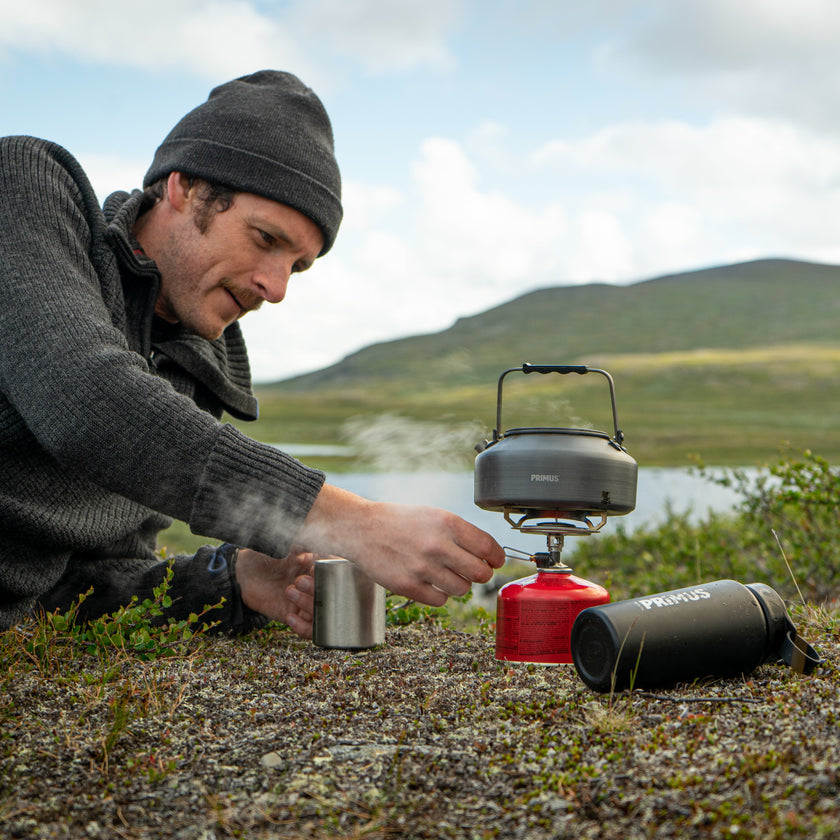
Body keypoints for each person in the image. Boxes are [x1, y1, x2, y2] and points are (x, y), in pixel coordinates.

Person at [0, 70, 505, 638]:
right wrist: (349, 523)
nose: (276, 287)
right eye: (265, 239)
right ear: (182, 186)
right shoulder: (25, 187)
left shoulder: (196, 369)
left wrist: (236, 579)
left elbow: (81, 592)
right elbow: (85, 399)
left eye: (296, 266)